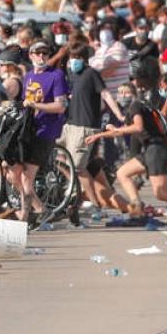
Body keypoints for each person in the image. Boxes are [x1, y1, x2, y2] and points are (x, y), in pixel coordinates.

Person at [85, 81, 167, 217]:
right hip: (152, 149)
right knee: (122, 173)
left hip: (156, 149)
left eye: (126, 92)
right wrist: (106, 132)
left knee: (160, 193)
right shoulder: (143, 106)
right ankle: (137, 208)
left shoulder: (135, 105)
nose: (122, 95)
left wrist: (105, 133)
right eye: (120, 92)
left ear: (134, 93)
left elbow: (138, 127)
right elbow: (121, 130)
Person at [62, 43, 123, 222]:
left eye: (78, 58)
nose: (74, 61)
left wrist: (118, 114)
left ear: (85, 59)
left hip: (85, 126)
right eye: (72, 58)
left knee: (79, 167)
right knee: (62, 160)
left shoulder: (91, 74)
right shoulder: (73, 75)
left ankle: (94, 205)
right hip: (70, 125)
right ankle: (77, 194)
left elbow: (105, 95)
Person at [16, 41, 68, 225]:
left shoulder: (56, 75)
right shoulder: (29, 76)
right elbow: (25, 102)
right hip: (29, 129)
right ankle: (41, 210)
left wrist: (36, 105)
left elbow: (61, 106)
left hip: (46, 130)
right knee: (13, 172)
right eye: (37, 53)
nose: (41, 57)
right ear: (30, 55)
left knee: (26, 177)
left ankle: (25, 216)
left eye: (45, 53)